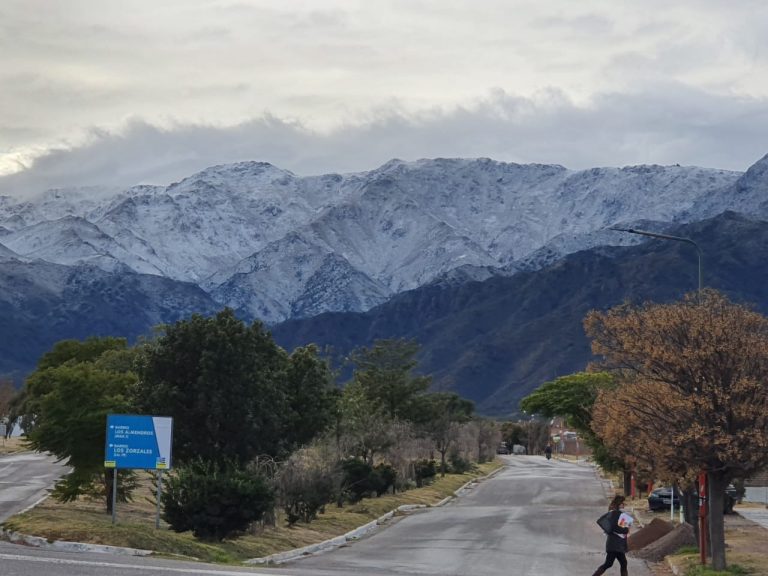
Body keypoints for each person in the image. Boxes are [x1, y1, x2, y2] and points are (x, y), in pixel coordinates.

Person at [592, 494, 630, 576]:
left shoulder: (613, 513)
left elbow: (607, 525)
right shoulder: (617, 514)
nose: (624, 505)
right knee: (615, 563)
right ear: (619, 504)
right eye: (623, 503)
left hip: (613, 543)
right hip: (616, 544)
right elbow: (617, 528)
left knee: (615, 563)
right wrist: (626, 529)